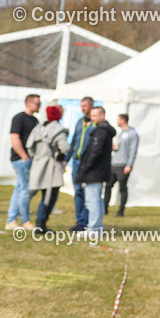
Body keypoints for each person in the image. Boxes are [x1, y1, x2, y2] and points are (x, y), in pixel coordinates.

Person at [26, 104, 71, 234]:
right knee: (50, 196)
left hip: (38, 165)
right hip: (51, 167)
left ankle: (37, 221)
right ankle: (41, 223)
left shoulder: (38, 128)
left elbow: (30, 148)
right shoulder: (58, 129)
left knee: (39, 193)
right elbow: (65, 148)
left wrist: (38, 156)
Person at [75, 106, 116, 235]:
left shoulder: (101, 131)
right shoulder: (101, 130)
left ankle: (94, 228)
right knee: (96, 200)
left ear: (102, 115)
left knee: (92, 201)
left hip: (94, 171)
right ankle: (96, 227)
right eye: (91, 115)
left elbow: (95, 152)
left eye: (94, 116)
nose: (91, 118)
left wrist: (85, 168)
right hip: (98, 171)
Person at [5, 93, 41, 230]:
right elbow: (14, 138)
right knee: (25, 191)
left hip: (29, 159)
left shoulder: (35, 120)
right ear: (29, 103)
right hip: (21, 159)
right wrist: (24, 156)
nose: (39, 106)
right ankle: (25, 220)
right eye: (37, 103)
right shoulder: (19, 118)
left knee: (19, 190)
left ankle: (11, 220)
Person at [66, 96, 95, 231]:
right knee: (78, 192)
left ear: (91, 106)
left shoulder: (95, 124)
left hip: (87, 163)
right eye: (81, 106)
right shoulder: (79, 122)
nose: (82, 108)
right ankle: (80, 222)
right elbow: (73, 142)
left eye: (85, 106)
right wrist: (66, 160)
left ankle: (87, 221)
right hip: (76, 162)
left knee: (87, 192)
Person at [104, 113, 139, 217]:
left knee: (122, 188)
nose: (117, 122)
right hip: (114, 164)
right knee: (108, 186)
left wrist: (129, 165)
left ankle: (121, 211)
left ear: (123, 120)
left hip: (123, 165)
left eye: (118, 119)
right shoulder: (120, 133)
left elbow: (133, 151)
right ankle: (104, 209)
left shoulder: (132, 133)